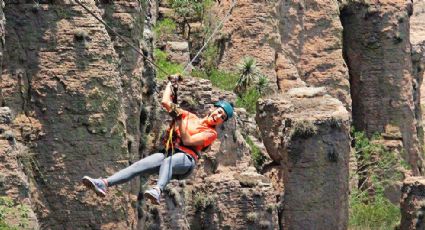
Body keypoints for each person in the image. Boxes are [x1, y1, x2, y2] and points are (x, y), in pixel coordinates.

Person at [82, 77, 234, 205]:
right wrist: (171, 84)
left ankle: (157, 190)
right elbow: (166, 102)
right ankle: (104, 183)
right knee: (138, 166)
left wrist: (179, 118)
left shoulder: (210, 133)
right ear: (213, 109)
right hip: (170, 152)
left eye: (222, 118)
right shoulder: (190, 116)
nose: (218, 116)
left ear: (221, 122)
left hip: (186, 159)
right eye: (219, 112)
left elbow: (187, 140)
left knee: (168, 162)